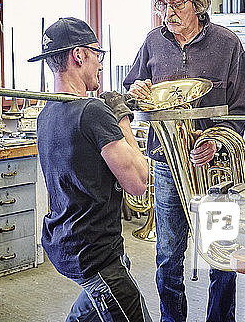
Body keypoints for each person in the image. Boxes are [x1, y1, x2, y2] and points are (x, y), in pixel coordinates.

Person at [124, 0, 245, 322]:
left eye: (176, 3)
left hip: (216, 167)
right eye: (161, 4)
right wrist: (135, 90)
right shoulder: (153, 41)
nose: (168, 12)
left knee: (221, 255)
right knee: (167, 255)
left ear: (198, 3)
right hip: (166, 162)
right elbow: (133, 85)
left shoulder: (228, 44)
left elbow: (240, 108)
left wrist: (215, 141)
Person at [29, 17, 152, 322]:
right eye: (98, 54)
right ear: (79, 55)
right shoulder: (93, 111)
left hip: (64, 240)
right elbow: (138, 182)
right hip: (95, 253)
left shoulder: (46, 114)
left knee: (92, 306)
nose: (100, 63)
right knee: (117, 297)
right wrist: (122, 117)